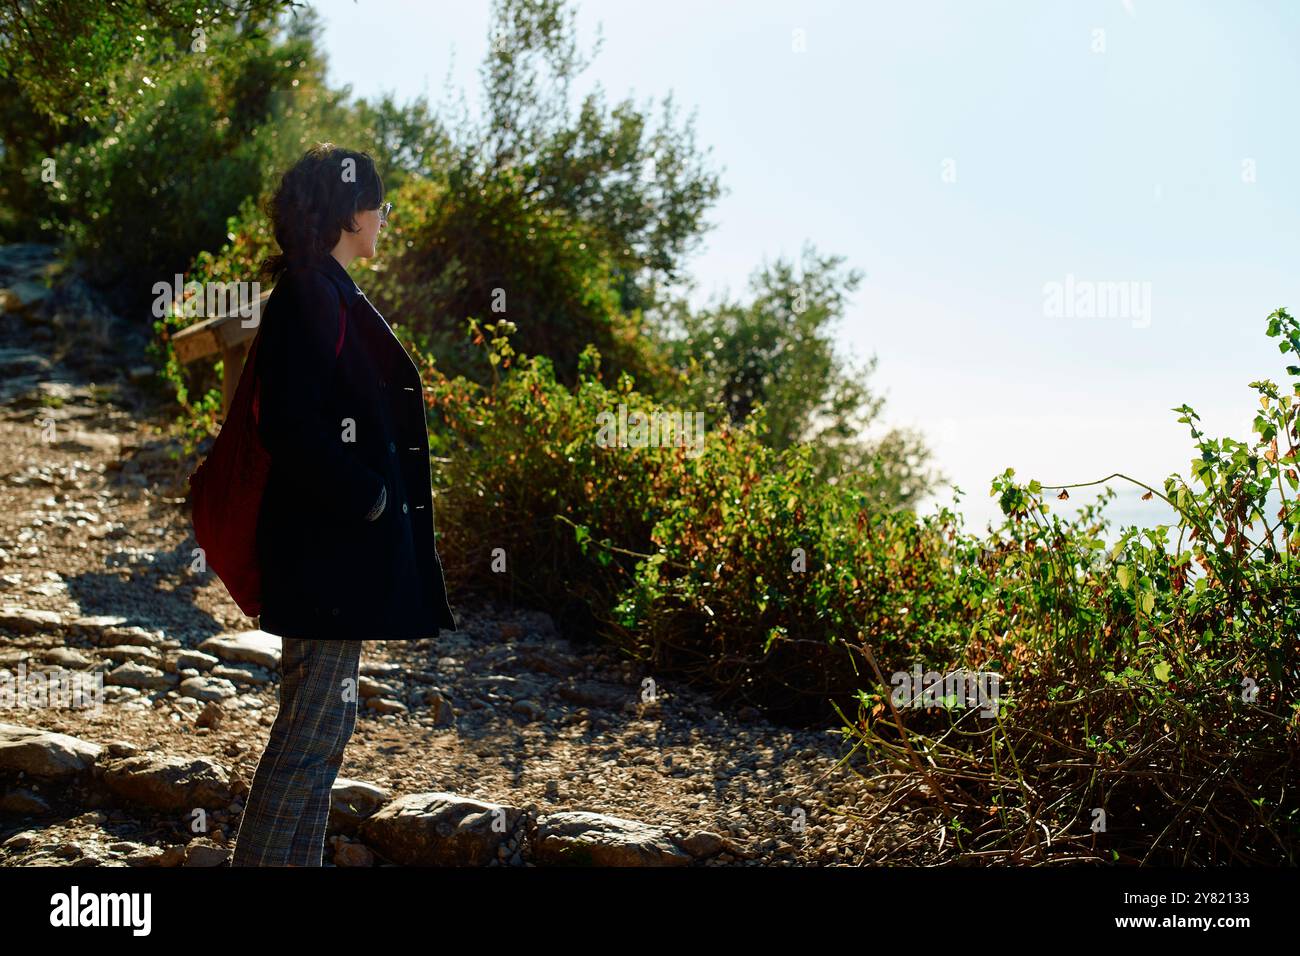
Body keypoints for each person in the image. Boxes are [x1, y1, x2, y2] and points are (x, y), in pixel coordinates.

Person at [230, 143, 457, 867]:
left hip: (332, 554)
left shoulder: (323, 288)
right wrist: (369, 498)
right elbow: (288, 425)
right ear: (351, 212)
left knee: (320, 736)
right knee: (307, 740)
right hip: (325, 554)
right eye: (379, 205)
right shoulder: (310, 293)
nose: (385, 218)